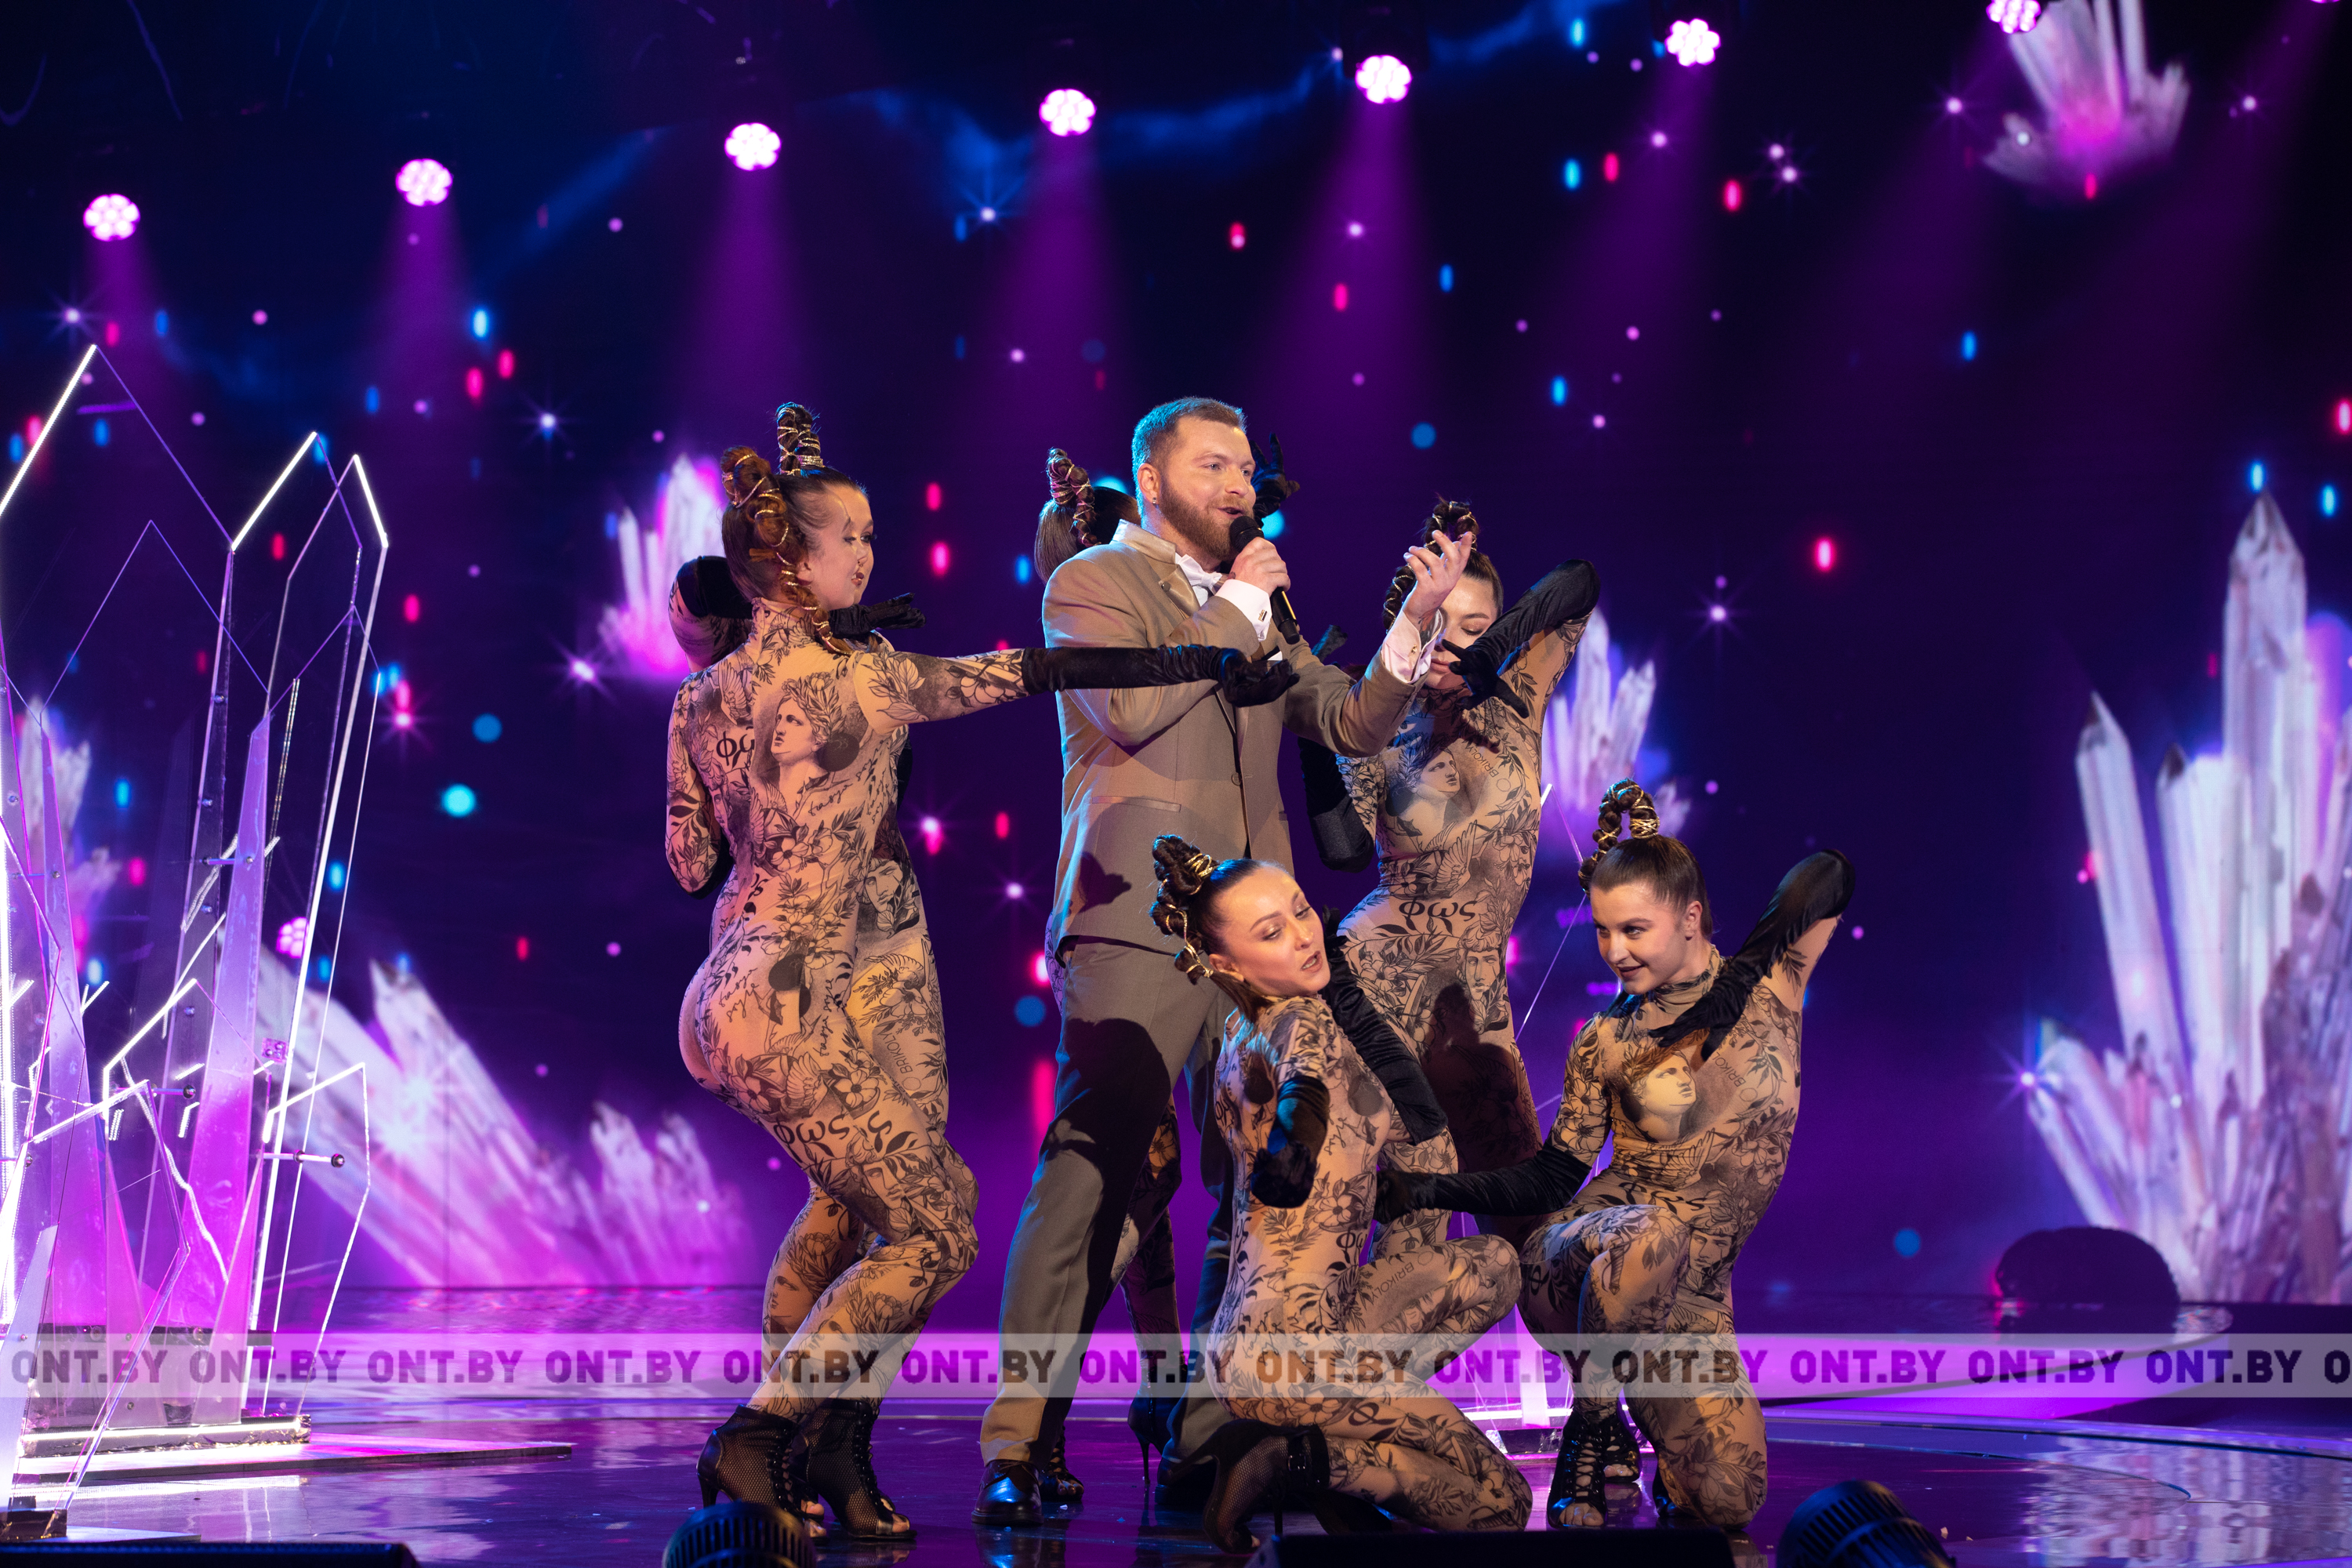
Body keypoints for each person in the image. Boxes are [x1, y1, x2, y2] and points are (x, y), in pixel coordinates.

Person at [670, 423, 1299, 1538]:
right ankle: (762, 1434)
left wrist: (759, 763)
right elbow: (1028, 672)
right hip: (789, 992)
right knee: (938, 1225)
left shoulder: (698, 697)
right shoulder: (867, 673)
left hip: (747, 977)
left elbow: (689, 862)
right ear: (792, 560)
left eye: (872, 535)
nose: (871, 556)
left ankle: (830, 1451)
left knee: (869, 1206)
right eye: (852, 538)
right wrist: (1196, 655)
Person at [978, 398, 1473, 1525]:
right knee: (1096, 1165)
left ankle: (1208, 1429)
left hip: (1257, 944)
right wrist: (1243, 603)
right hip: (1136, 922)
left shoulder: (1253, 605)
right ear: (1152, 480)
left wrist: (1413, 622)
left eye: (1247, 467)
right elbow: (1131, 707)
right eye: (1214, 466)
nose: (1241, 486)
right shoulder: (1093, 582)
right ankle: (1019, 1435)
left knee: (1253, 1181)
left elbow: (1346, 721)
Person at [1376, 781, 1853, 1532]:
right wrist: (1436, 1190)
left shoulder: (1772, 987)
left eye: (1633, 929)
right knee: (1655, 1234)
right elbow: (1554, 1176)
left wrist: (1740, 977)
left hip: (1693, 1302)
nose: (1614, 951)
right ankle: (1592, 1425)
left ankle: (1634, 1415)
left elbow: (1829, 873)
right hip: (1584, 1266)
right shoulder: (1605, 1039)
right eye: (1602, 931)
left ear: (1690, 917)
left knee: (1730, 1499)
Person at [1149, 837, 1531, 1552]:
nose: (1303, 936)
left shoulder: (1241, 1028)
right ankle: (1296, 1461)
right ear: (1225, 964)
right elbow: (1306, 1081)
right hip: (1295, 1357)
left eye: (1301, 911)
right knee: (1502, 1504)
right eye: (1272, 932)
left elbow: (1409, 1121)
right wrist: (1296, 1138)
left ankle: (1317, 1451)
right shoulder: (1304, 1023)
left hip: (1275, 1337)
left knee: (1494, 1265)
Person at [1301, 505, 1599, 1267]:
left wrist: (1489, 655)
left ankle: (1586, 1362)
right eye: (1436, 623)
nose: (1451, 642)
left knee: (1527, 1229)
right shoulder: (1377, 715)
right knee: (1397, 1228)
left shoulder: (1519, 690)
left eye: (1475, 625)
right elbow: (1342, 851)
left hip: (1475, 997)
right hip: (1377, 988)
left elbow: (1580, 580)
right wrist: (1313, 737)